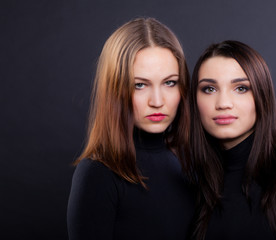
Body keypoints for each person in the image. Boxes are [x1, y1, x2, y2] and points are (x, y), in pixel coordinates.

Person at [189, 40, 276, 240]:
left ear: (262, 96)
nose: (223, 103)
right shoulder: (192, 183)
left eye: (240, 88)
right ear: (194, 100)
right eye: (209, 89)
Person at [67, 17, 194, 240]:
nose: (157, 100)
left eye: (170, 82)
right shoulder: (98, 173)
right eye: (140, 85)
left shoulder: (190, 164)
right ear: (115, 89)